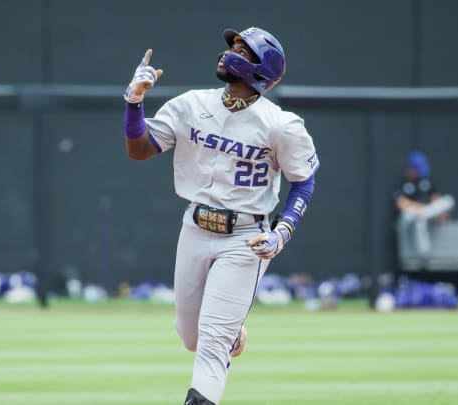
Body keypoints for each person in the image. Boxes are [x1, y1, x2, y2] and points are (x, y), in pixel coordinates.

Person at [121, 27, 319, 404]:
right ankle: (234, 334)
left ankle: (221, 345)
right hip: (194, 228)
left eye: (243, 50)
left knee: (211, 344)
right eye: (232, 47)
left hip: (246, 238)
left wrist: (282, 233)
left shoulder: (281, 125)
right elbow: (140, 150)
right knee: (190, 337)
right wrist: (134, 101)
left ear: (261, 69)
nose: (229, 53)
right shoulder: (191, 105)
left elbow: (304, 183)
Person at [394, 151, 455, 267]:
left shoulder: (427, 181)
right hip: (413, 215)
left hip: (427, 212)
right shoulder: (404, 184)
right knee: (417, 219)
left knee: (448, 201)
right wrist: (418, 207)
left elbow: (435, 199)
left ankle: (424, 214)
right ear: (410, 169)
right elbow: (400, 203)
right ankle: (424, 255)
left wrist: (440, 213)